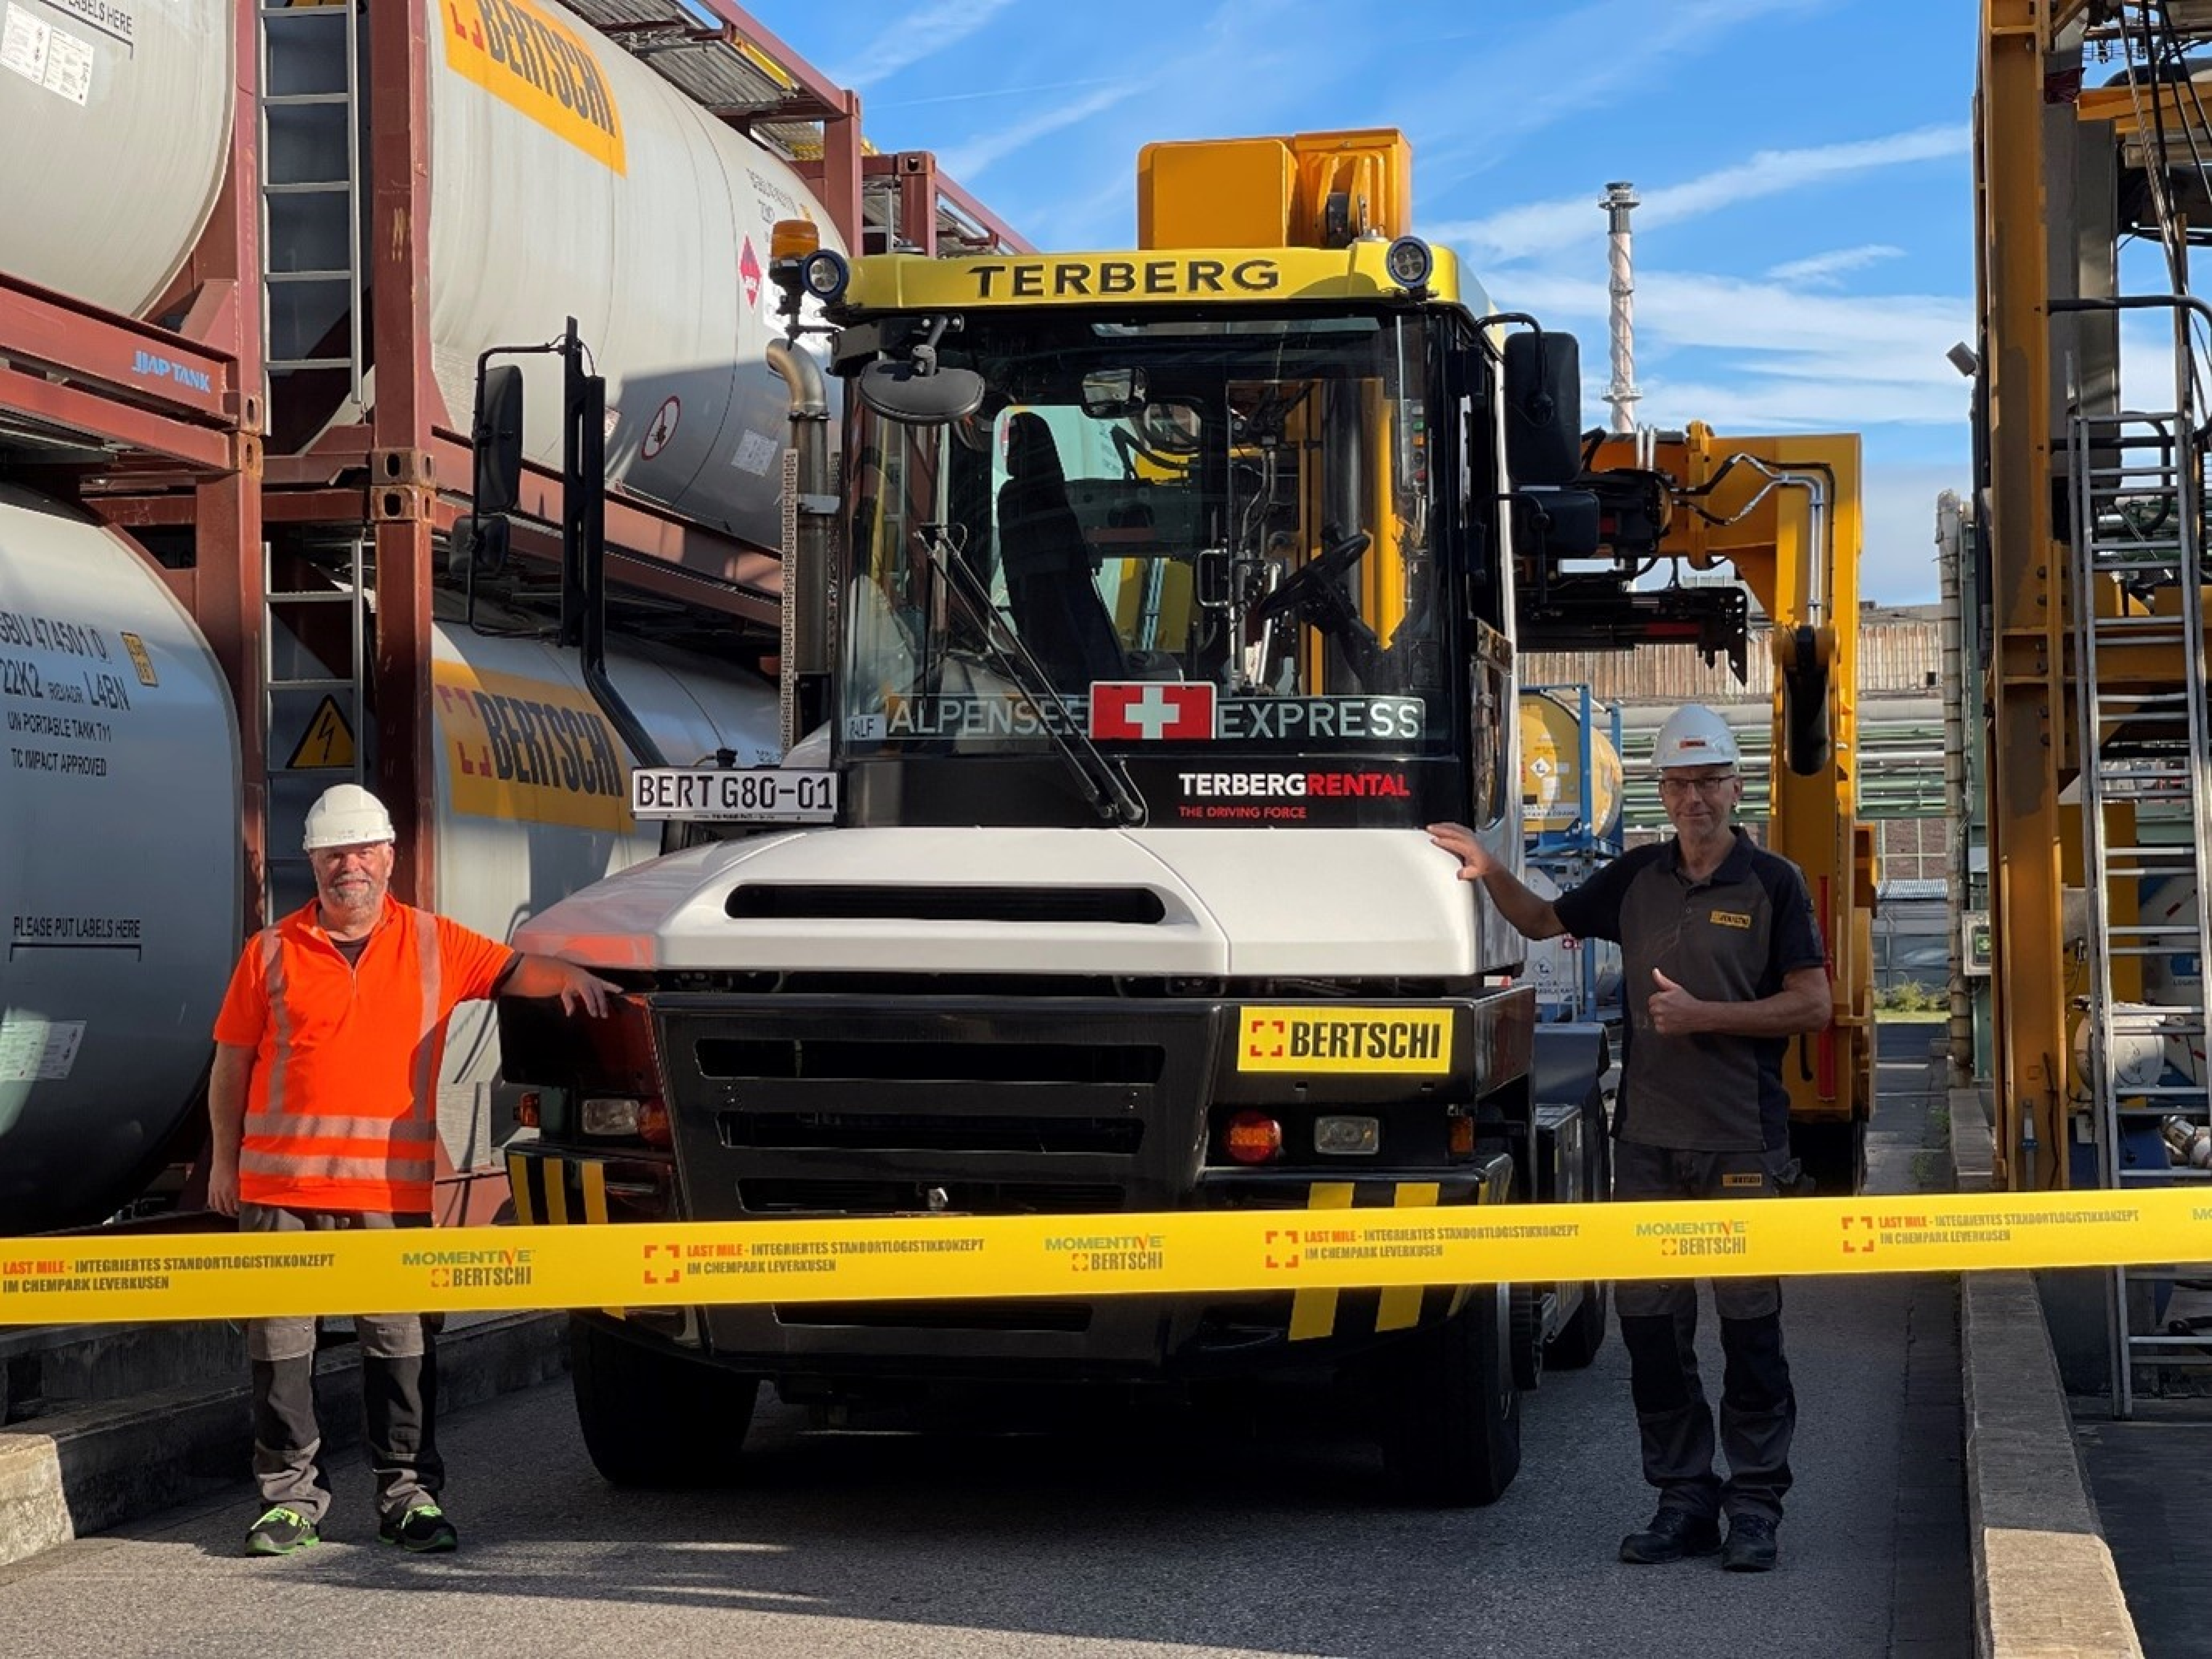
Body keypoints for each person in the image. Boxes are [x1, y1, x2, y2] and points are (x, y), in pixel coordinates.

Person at [1427, 704, 1829, 1573]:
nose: (1695, 798)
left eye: (1709, 781)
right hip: (1646, 1143)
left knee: (1751, 1333)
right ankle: (1683, 1497)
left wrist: (1702, 1016)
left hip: (1741, 1146)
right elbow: (1540, 921)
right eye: (1680, 783)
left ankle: (1755, 1506)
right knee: (1653, 1334)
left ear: (1736, 784)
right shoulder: (1636, 878)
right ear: (1663, 791)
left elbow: (1814, 1004)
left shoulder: (1776, 885)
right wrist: (1490, 866)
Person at [207, 783, 620, 1559]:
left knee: (401, 1349)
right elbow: (232, 1061)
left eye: (363, 850)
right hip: (279, 1192)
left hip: (387, 1196)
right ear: (315, 862)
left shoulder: (435, 943)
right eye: (334, 853)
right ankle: (290, 1500)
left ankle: (407, 1494)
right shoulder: (270, 952)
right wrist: (224, 1161)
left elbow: (517, 971)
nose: (349, 866)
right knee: (278, 1352)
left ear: (389, 857)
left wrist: (576, 978)